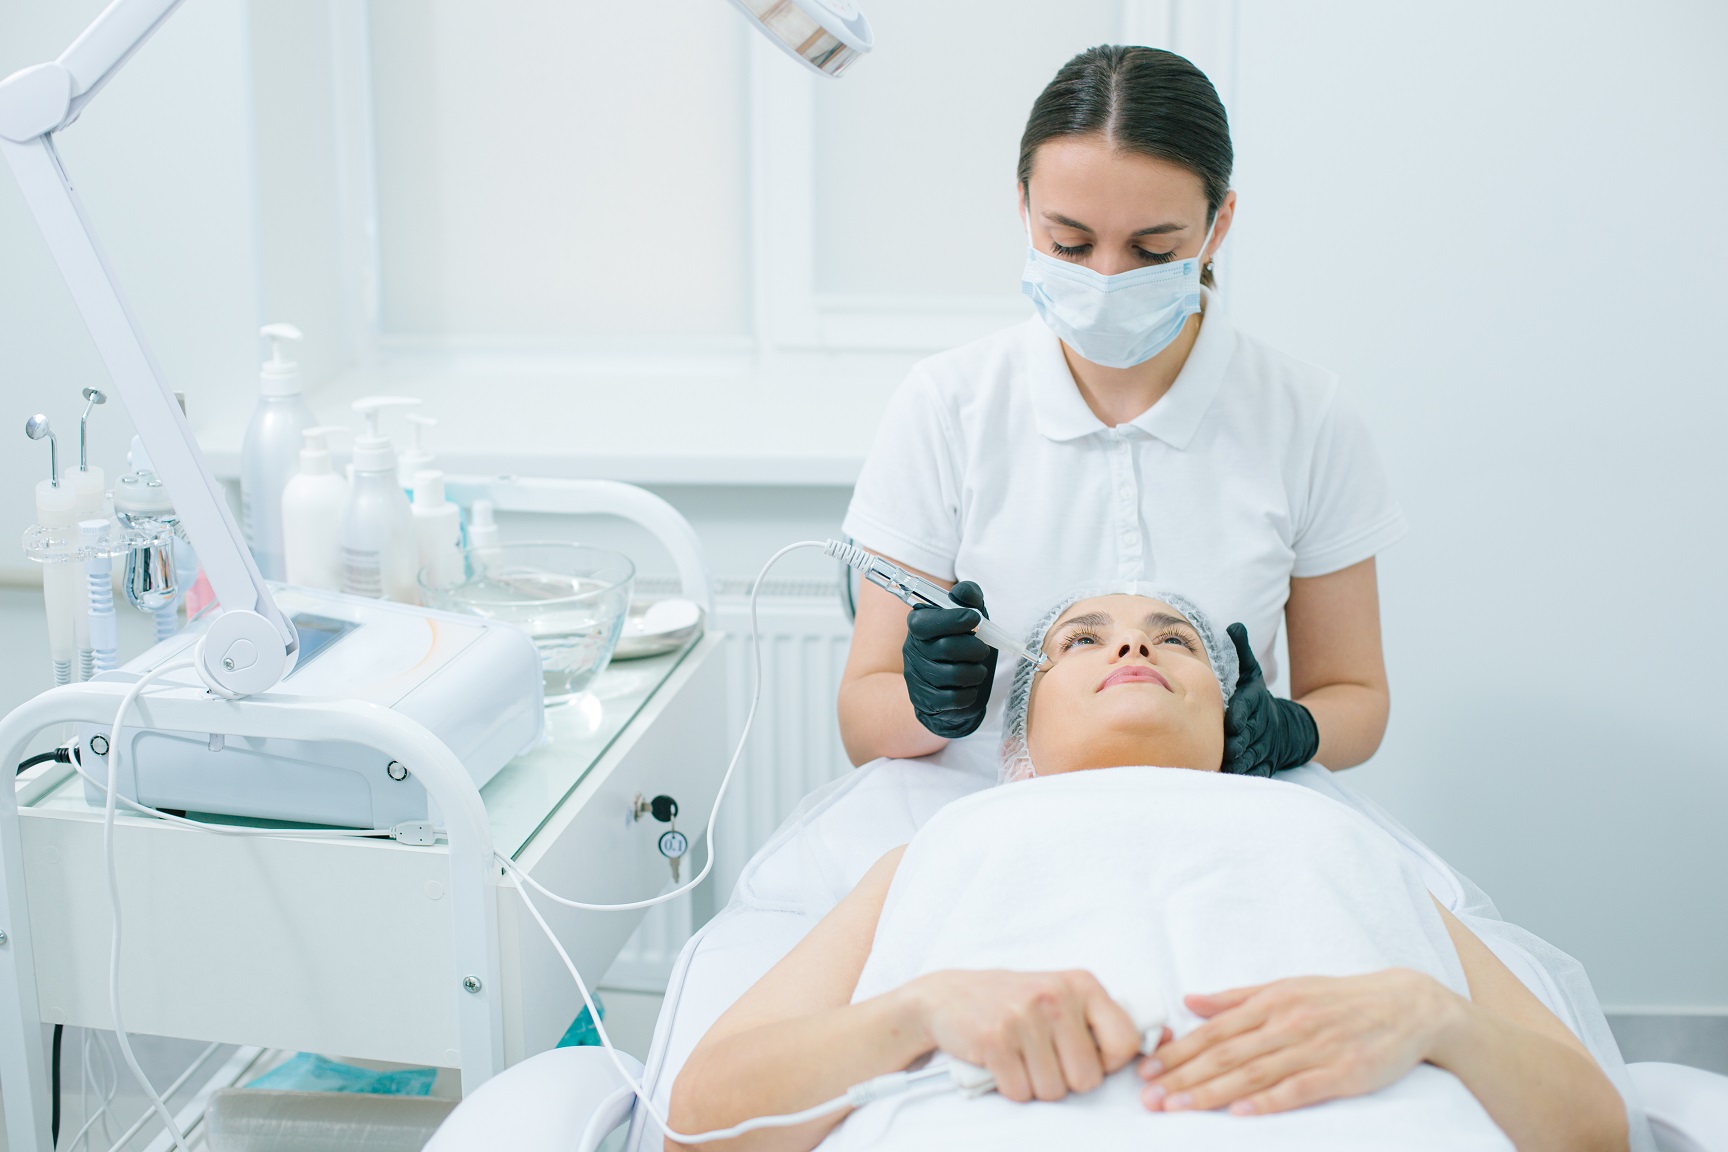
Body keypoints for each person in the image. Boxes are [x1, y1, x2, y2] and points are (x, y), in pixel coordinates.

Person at [669, 591, 1629, 1152]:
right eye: (1079, 640)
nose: (1132, 643)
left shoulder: (1338, 836)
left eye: (1175, 639)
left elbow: (1596, 1126)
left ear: (1230, 719)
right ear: (1019, 744)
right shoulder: (940, 847)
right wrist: (920, 1011)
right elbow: (700, 1122)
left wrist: (1436, 1019)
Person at [838, 45, 1405, 779]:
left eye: (1150, 249)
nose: (1105, 278)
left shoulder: (1305, 416)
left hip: (1221, 816)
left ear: (1217, 226)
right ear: (1024, 209)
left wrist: (1293, 730)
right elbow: (861, 718)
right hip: (984, 816)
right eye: (1068, 243)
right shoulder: (947, 406)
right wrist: (927, 703)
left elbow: (1356, 696)